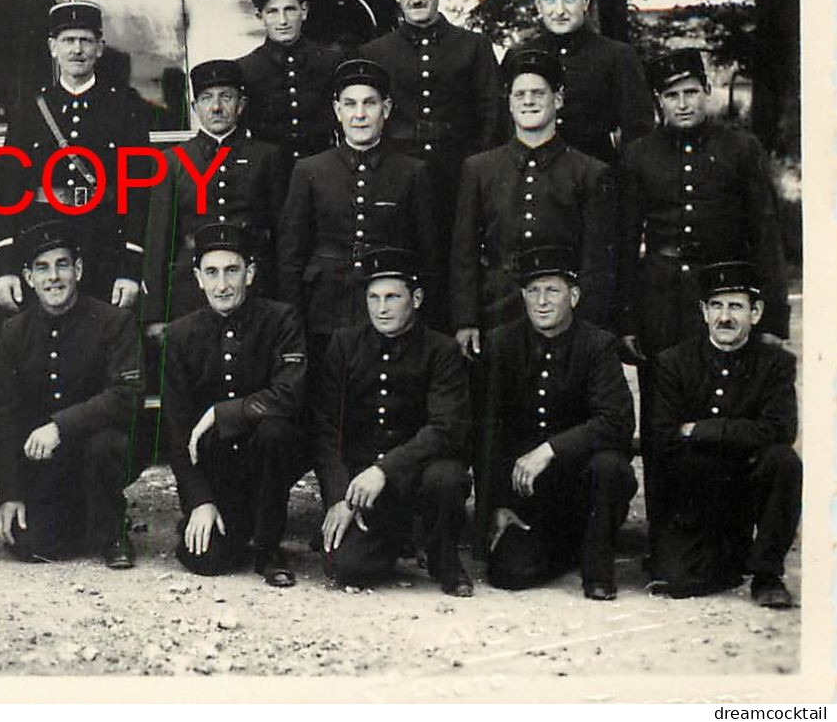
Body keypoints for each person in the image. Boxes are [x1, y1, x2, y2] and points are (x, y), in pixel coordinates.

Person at [616, 48, 790, 552]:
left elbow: (765, 233)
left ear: (707, 92)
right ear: (658, 102)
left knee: (728, 404)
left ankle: (729, 528)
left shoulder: (740, 149)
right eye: (672, 95)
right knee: (661, 417)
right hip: (661, 297)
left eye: (692, 91)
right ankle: (665, 534)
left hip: (723, 295)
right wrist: (627, 316)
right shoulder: (639, 155)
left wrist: (772, 316)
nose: (684, 103)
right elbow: (626, 244)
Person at [476, 245, 637, 600]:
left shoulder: (597, 344)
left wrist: (551, 449)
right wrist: (496, 506)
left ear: (574, 296)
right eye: (533, 291)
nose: (542, 301)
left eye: (553, 290)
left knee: (609, 465)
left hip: (585, 487)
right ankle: (564, 548)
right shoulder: (503, 343)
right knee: (508, 574)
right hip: (530, 496)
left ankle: (597, 572)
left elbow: (617, 421)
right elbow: (488, 433)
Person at [311, 248, 473, 596]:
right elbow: (327, 428)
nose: (381, 308)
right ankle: (391, 538)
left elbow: (445, 427)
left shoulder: (440, 350)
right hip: (362, 486)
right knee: (348, 569)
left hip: (416, 477)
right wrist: (339, 497)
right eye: (373, 297)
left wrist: (385, 469)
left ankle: (443, 556)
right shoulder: (344, 344)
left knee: (447, 477)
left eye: (392, 297)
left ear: (415, 298)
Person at [160, 223, 307, 585]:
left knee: (275, 430)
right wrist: (199, 501)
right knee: (206, 560)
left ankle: (270, 545)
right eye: (211, 273)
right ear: (197, 277)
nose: (222, 285)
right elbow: (178, 430)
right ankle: (232, 528)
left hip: (266, 463)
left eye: (232, 271)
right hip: (216, 471)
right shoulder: (180, 334)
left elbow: (290, 394)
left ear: (251, 273)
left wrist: (222, 413)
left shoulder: (281, 320)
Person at [0, 221, 144, 568]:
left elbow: (127, 394)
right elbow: (6, 415)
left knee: (105, 445)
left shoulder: (113, 321)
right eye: (42, 269)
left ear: (78, 269)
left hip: (99, 450)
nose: (54, 278)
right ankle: (79, 520)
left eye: (62, 265)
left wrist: (60, 426)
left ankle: (112, 532)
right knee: (32, 546)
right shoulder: (14, 332)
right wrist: (10, 495)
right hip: (45, 462)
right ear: (28, 278)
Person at [646, 262, 799, 608]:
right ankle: (720, 552)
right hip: (697, 492)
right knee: (680, 582)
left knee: (783, 460)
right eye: (716, 306)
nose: (725, 317)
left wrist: (702, 429)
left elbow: (780, 430)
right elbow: (663, 436)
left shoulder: (775, 363)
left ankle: (767, 574)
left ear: (755, 313)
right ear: (703, 311)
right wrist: (743, 433)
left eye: (735, 306)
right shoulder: (674, 362)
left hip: (750, 481)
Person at [451, 47, 615, 360]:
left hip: (563, 313)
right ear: (509, 102)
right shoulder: (479, 169)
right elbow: (464, 252)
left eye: (539, 93)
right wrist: (465, 318)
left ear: (558, 99)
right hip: (496, 308)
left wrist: (589, 326)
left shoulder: (589, 172)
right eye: (520, 94)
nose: (528, 101)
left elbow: (596, 262)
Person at [0, 0, 154, 313]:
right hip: (43, 243)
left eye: (85, 40)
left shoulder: (125, 108)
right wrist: (6, 264)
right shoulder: (30, 110)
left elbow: (138, 191)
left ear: (100, 48)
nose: (77, 49)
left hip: (104, 243)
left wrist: (130, 266)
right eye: (68, 41)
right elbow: (8, 189)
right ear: (53, 47)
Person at [279, 57, 441, 358]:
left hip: (389, 312)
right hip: (324, 312)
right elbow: (291, 257)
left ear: (387, 109)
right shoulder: (310, 170)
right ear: (338, 111)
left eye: (370, 104)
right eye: (350, 105)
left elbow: (428, 254)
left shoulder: (412, 171)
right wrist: (293, 326)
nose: (360, 115)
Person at [359, 0, 504, 248]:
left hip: (458, 177)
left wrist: (476, 175)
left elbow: (492, 116)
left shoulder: (473, 47)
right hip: (395, 177)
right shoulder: (375, 53)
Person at [144, 59, 284, 327]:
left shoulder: (266, 157)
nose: (217, 107)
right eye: (207, 98)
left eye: (226, 97)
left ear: (240, 105)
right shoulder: (172, 161)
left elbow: (281, 235)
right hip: (190, 289)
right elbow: (158, 243)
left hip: (254, 288)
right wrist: (155, 314)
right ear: (195, 107)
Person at [508, 0, 652, 166]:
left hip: (597, 181)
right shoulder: (519, 56)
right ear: (538, 4)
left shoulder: (617, 56)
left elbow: (638, 135)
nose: (560, 10)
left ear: (585, 1)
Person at [235, 0, 348, 170]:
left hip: (323, 175)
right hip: (269, 182)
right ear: (260, 17)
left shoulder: (332, 63)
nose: (283, 21)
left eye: (289, 9)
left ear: (303, 11)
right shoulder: (245, 70)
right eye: (272, 12)